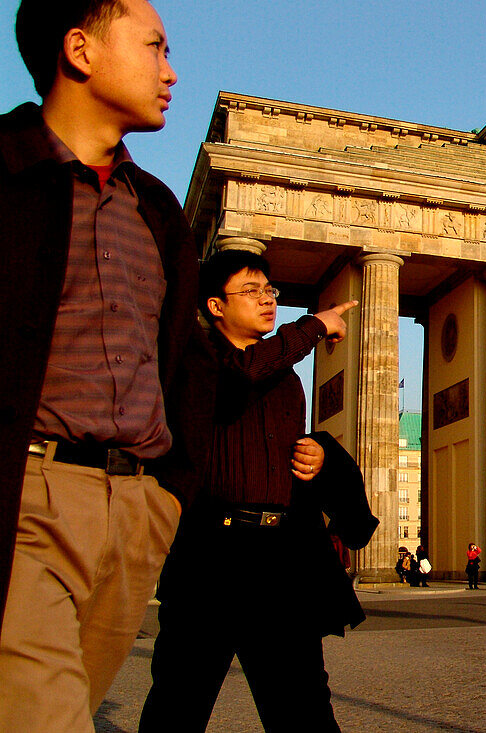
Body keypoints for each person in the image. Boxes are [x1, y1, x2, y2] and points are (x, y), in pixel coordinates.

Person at [0, 3, 213, 729]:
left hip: (134, 512)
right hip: (29, 496)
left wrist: (169, 494)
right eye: (155, 46)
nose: (171, 69)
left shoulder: (156, 210)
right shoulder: (4, 173)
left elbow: (181, 363)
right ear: (80, 50)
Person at [139, 250, 371, 732]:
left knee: (304, 706)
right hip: (212, 558)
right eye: (252, 291)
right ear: (215, 306)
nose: (268, 300)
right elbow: (241, 375)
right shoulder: (194, 360)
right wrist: (312, 325)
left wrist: (321, 458)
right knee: (179, 703)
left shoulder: (285, 377)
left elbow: (279, 430)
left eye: (271, 291)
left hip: (281, 561)